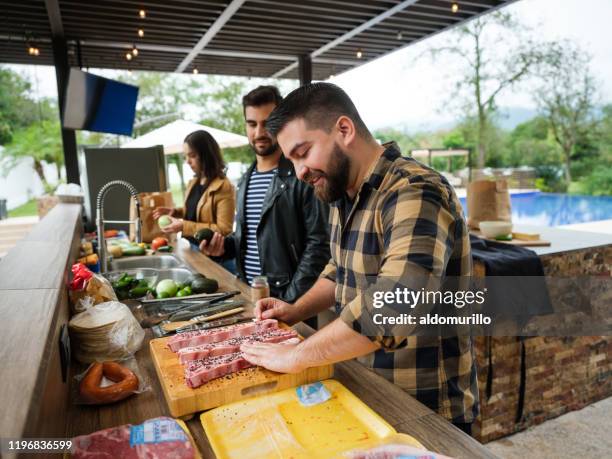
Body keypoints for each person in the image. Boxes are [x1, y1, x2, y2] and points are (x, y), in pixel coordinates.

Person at [239, 83, 479, 433]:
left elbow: (397, 301)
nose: (301, 171)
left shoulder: (414, 189)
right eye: (292, 160)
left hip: (425, 408)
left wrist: (295, 356)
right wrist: (295, 310)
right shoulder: (341, 192)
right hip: (367, 392)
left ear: (344, 130)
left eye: (303, 152)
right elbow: (339, 270)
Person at [200, 85, 330, 304]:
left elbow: (319, 245)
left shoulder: (303, 175)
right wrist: (223, 247)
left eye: (267, 122)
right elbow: (250, 237)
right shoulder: (244, 179)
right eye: (252, 124)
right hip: (247, 294)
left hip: (287, 300)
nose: (259, 132)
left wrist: (290, 301)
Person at [153, 130, 235, 242]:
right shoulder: (193, 182)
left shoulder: (224, 186)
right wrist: (176, 212)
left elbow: (224, 229)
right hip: (190, 247)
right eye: (186, 156)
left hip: (212, 256)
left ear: (207, 155)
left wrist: (183, 226)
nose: (187, 161)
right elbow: (198, 210)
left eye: (192, 155)